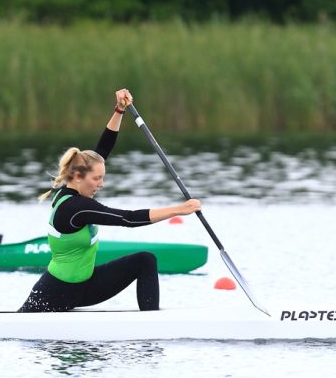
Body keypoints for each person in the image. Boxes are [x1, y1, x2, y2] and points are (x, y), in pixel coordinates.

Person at [18, 89, 201, 313]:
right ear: (77, 176)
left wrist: (119, 110)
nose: (101, 184)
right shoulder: (75, 208)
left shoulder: (77, 183)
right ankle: (153, 325)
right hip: (55, 293)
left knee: (145, 261)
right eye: (97, 179)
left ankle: (151, 324)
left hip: (84, 286)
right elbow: (128, 219)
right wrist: (179, 209)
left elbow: (102, 148)